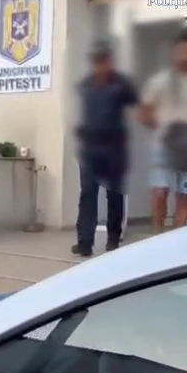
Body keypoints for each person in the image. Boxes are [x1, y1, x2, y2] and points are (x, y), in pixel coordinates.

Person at [139, 31, 187, 234]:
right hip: (163, 144)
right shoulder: (160, 81)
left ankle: (179, 235)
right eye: (184, 50)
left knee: (186, 192)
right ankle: (158, 233)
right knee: (160, 191)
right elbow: (144, 113)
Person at [71, 40, 139, 258]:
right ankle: (84, 242)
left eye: (104, 60)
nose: (100, 65)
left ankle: (113, 239)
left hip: (114, 148)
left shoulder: (122, 84)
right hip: (90, 148)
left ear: (110, 61)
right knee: (88, 195)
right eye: (97, 61)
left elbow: (137, 106)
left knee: (115, 194)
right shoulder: (85, 84)